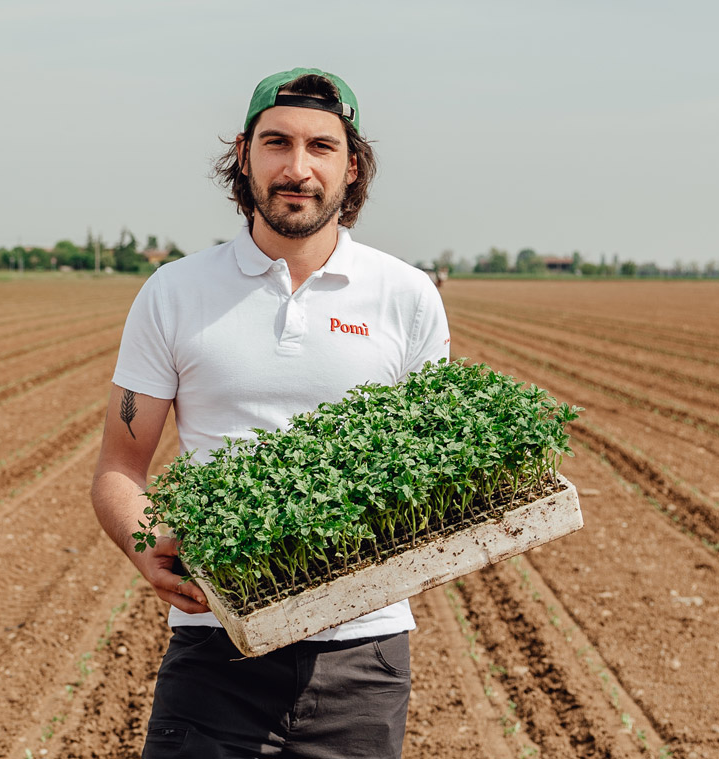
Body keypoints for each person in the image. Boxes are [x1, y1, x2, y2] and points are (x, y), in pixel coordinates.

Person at [89, 67, 451, 758]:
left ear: (351, 164)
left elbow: (430, 479)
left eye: (321, 146)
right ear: (244, 152)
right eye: (276, 142)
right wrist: (147, 545)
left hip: (362, 655)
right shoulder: (175, 293)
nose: (297, 167)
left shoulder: (405, 296)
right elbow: (118, 467)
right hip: (214, 649)